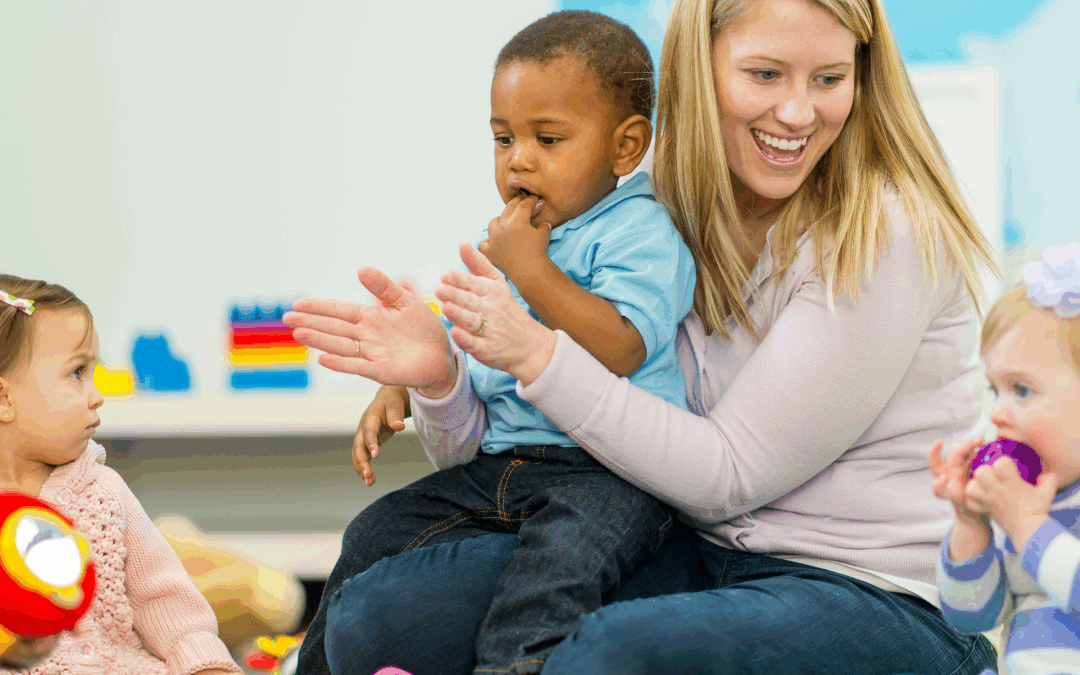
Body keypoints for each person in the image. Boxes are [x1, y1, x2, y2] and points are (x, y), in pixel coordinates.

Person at [289, 0, 1004, 672]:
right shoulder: (644, 202)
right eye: (764, 74)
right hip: (697, 551)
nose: (796, 111)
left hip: (868, 589)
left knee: (598, 653)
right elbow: (494, 444)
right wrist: (440, 377)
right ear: (702, 67)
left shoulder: (888, 231)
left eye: (830, 79)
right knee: (378, 617)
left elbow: (727, 476)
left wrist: (540, 352)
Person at [284, 11, 696, 675]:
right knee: (376, 530)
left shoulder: (637, 232)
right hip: (505, 466)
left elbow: (622, 346)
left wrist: (532, 268)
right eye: (504, 138)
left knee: (551, 577)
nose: (519, 159)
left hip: (609, 476)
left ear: (625, 147)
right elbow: (474, 343)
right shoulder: (516, 241)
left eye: (549, 138)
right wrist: (413, 379)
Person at [0, 275, 241, 675]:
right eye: (77, 373)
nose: (97, 395)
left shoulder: (103, 492)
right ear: (4, 398)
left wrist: (203, 665)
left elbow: (168, 603)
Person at [929, 242, 1080, 675]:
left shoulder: (1027, 515)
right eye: (996, 390)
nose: (996, 412)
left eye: (1023, 390)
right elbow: (972, 617)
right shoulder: (1030, 498)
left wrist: (1027, 526)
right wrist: (971, 525)